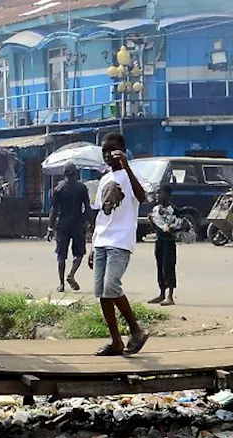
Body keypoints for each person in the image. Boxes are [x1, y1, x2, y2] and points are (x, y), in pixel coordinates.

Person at [87, 132, 149, 356]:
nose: (107, 155)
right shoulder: (104, 179)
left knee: (112, 286)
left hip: (121, 241)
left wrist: (126, 166)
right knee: (102, 293)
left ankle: (136, 330)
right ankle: (116, 341)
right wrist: (93, 245)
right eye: (104, 151)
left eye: (112, 151)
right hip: (102, 240)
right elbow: (100, 215)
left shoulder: (133, 175)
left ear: (122, 150)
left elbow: (142, 197)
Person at [46, 162, 92, 293]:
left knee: (61, 255)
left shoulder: (58, 189)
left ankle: (61, 284)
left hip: (63, 224)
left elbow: (53, 211)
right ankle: (71, 274)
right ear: (76, 173)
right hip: (78, 223)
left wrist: (50, 228)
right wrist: (89, 222)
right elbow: (87, 208)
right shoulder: (82, 188)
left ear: (64, 173)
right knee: (79, 253)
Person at [148, 184, 187, 306]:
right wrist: (152, 221)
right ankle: (161, 293)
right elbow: (156, 227)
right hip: (159, 241)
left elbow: (182, 226)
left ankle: (170, 296)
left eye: (160, 193)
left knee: (168, 267)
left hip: (169, 242)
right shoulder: (156, 210)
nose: (157, 196)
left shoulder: (174, 210)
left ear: (168, 195)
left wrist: (172, 230)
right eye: (157, 193)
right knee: (160, 266)